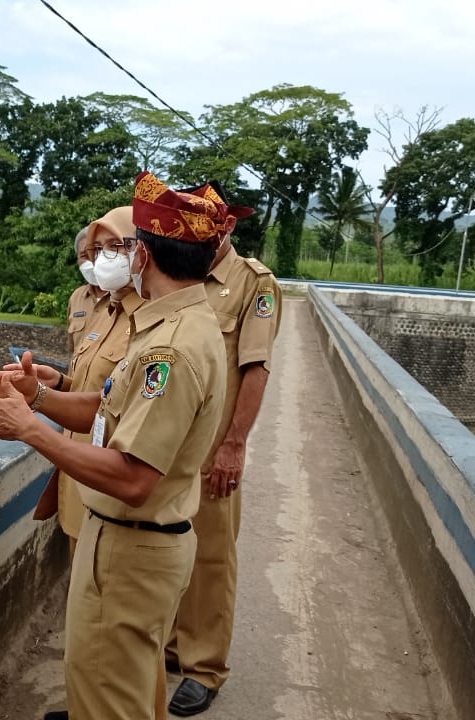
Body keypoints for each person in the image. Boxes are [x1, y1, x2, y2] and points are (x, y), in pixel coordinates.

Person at [0, 170, 228, 720]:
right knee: (118, 690)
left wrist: (28, 429)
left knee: (105, 699)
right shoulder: (178, 324)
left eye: (126, 248)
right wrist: (38, 398)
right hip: (135, 545)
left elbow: (133, 477)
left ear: (144, 255)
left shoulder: (170, 349)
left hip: (131, 548)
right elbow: (109, 407)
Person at [166, 182, 282, 717]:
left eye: (206, 222)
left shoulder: (254, 283)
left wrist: (234, 445)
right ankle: (172, 643)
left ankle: (204, 667)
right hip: (166, 444)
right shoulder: (176, 272)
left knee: (211, 556)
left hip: (212, 449)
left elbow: (255, 368)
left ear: (228, 225)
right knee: (166, 544)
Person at [30, 207, 144, 557]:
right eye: (97, 250)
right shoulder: (107, 311)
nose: (103, 258)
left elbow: (123, 404)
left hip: (111, 471)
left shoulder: (152, 320)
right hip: (79, 460)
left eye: (115, 246)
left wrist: (31, 415)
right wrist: (57, 384)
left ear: (142, 249)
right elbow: (95, 384)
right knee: (79, 563)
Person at [65, 227, 108, 355]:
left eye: (97, 252)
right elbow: (72, 350)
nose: (92, 260)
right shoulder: (76, 297)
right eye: (84, 255)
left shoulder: (127, 297)